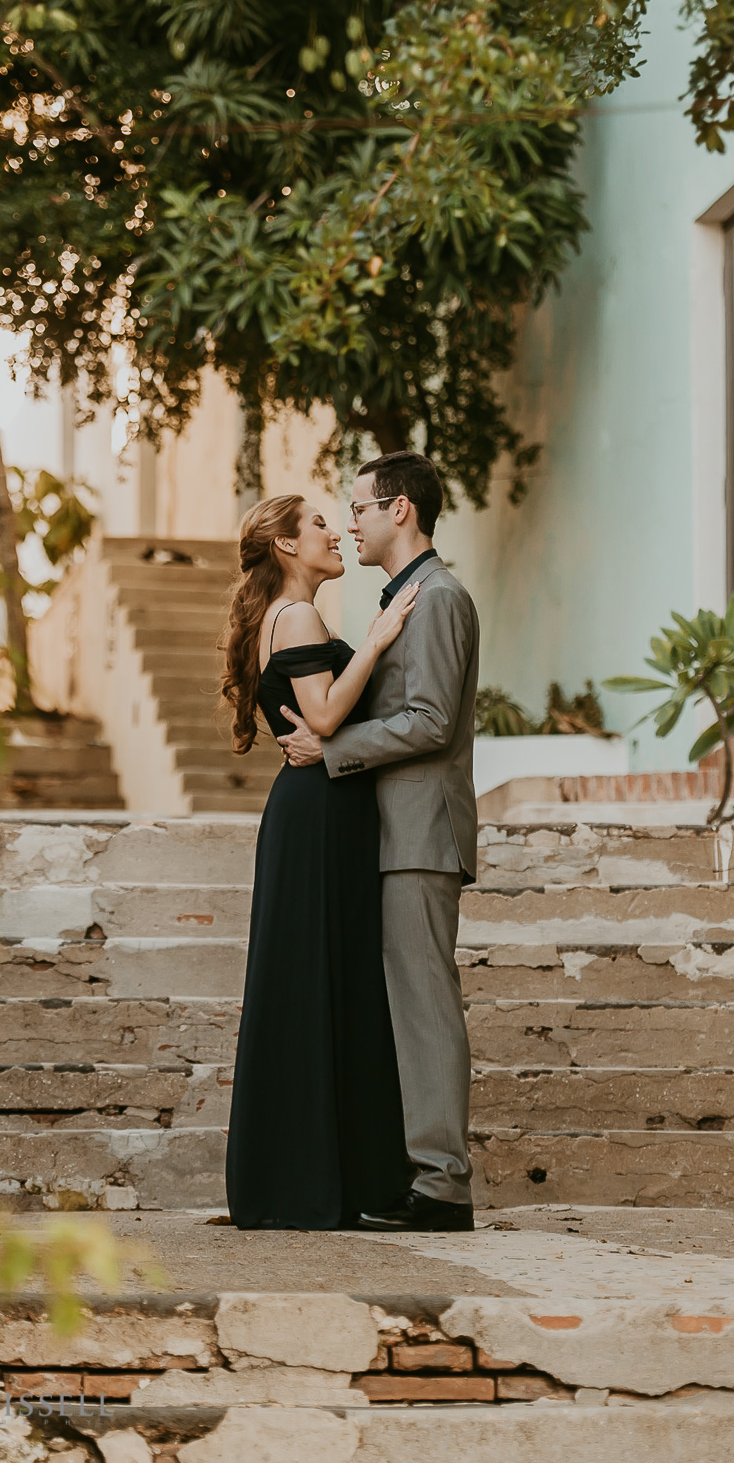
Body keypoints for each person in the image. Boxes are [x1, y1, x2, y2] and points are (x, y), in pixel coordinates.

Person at [277, 452, 480, 1232]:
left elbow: (430, 719)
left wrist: (332, 750)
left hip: (421, 837)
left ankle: (442, 1185)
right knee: (401, 1008)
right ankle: (410, 1171)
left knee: (425, 1007)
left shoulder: (438, 599)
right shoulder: (407, 599)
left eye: (358, 507)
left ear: (400, 511)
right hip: (393, 836)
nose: (349, 521)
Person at [221, 492, 418, 1229]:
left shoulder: (287, 617)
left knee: (318, 981)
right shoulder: (297, 617)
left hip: (320, 810)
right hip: (317, 816)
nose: (335, 533)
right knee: (320, 981)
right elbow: (327, 717)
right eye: (318, 526)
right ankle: (316, 1181)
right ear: (283, 546)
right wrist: (378, 637)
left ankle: (315, 1174)